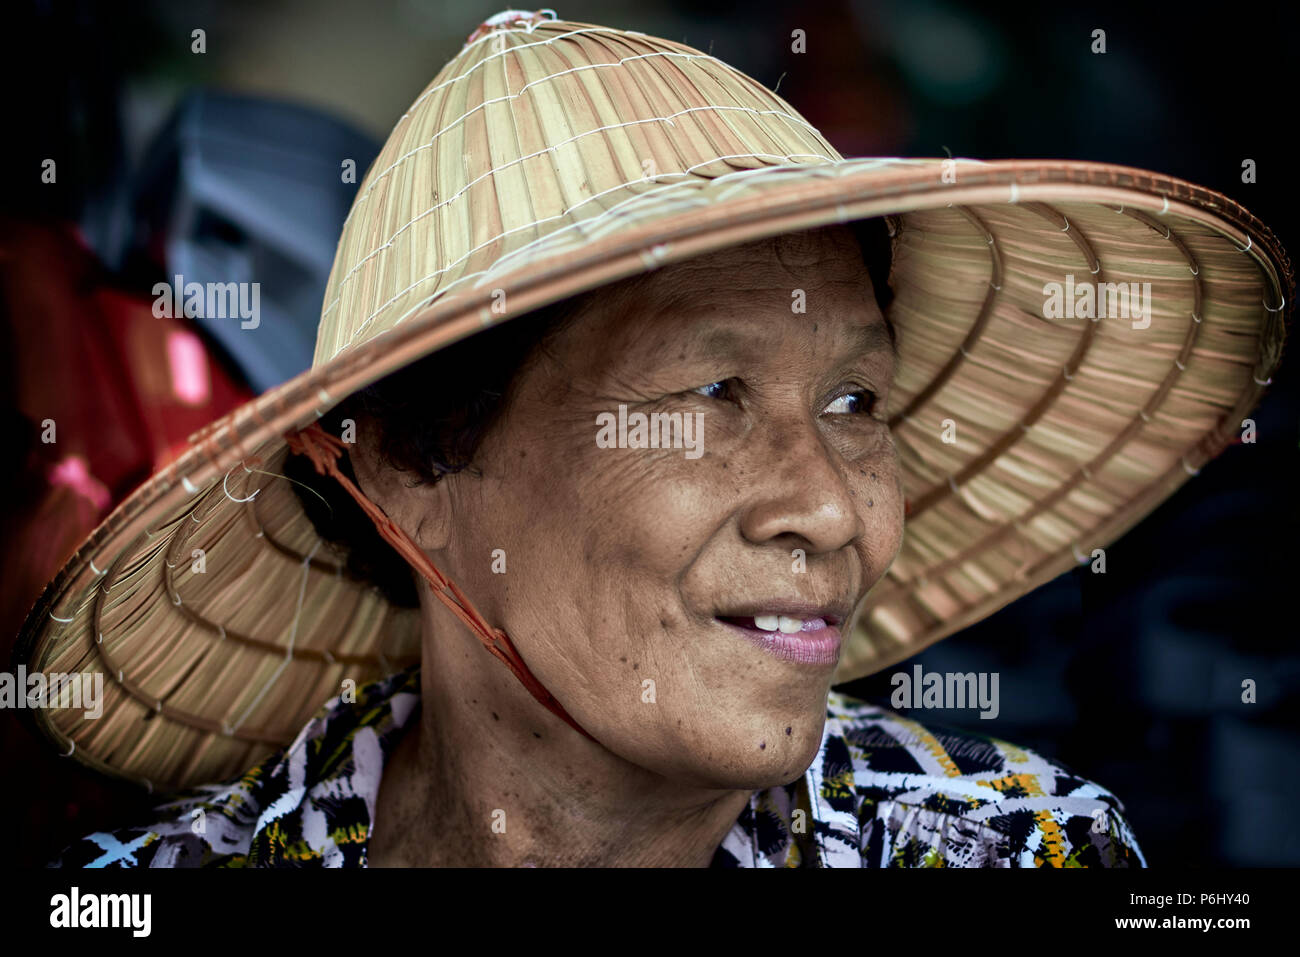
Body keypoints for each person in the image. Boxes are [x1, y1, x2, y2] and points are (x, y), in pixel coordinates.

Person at [25, 10, 1287, 868]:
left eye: (855, 405)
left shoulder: (1012, 849)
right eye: (709, 397)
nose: (833, 512)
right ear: (405, 475)